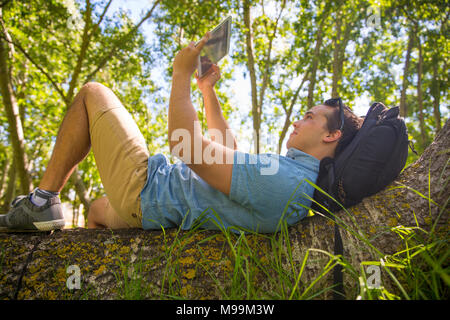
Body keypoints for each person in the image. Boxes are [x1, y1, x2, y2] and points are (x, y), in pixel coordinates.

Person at [0, 33, 362, 233]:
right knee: (95, 211)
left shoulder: (287, 181)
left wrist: (181, 75)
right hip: (145, 210)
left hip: (147, 187)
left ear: (331, 136)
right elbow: (224, 150)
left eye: (310, 117)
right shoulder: (292, 178)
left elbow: (185, 146)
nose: (299, 121)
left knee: (92, 94)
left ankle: (42, 201)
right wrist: (207, 90)